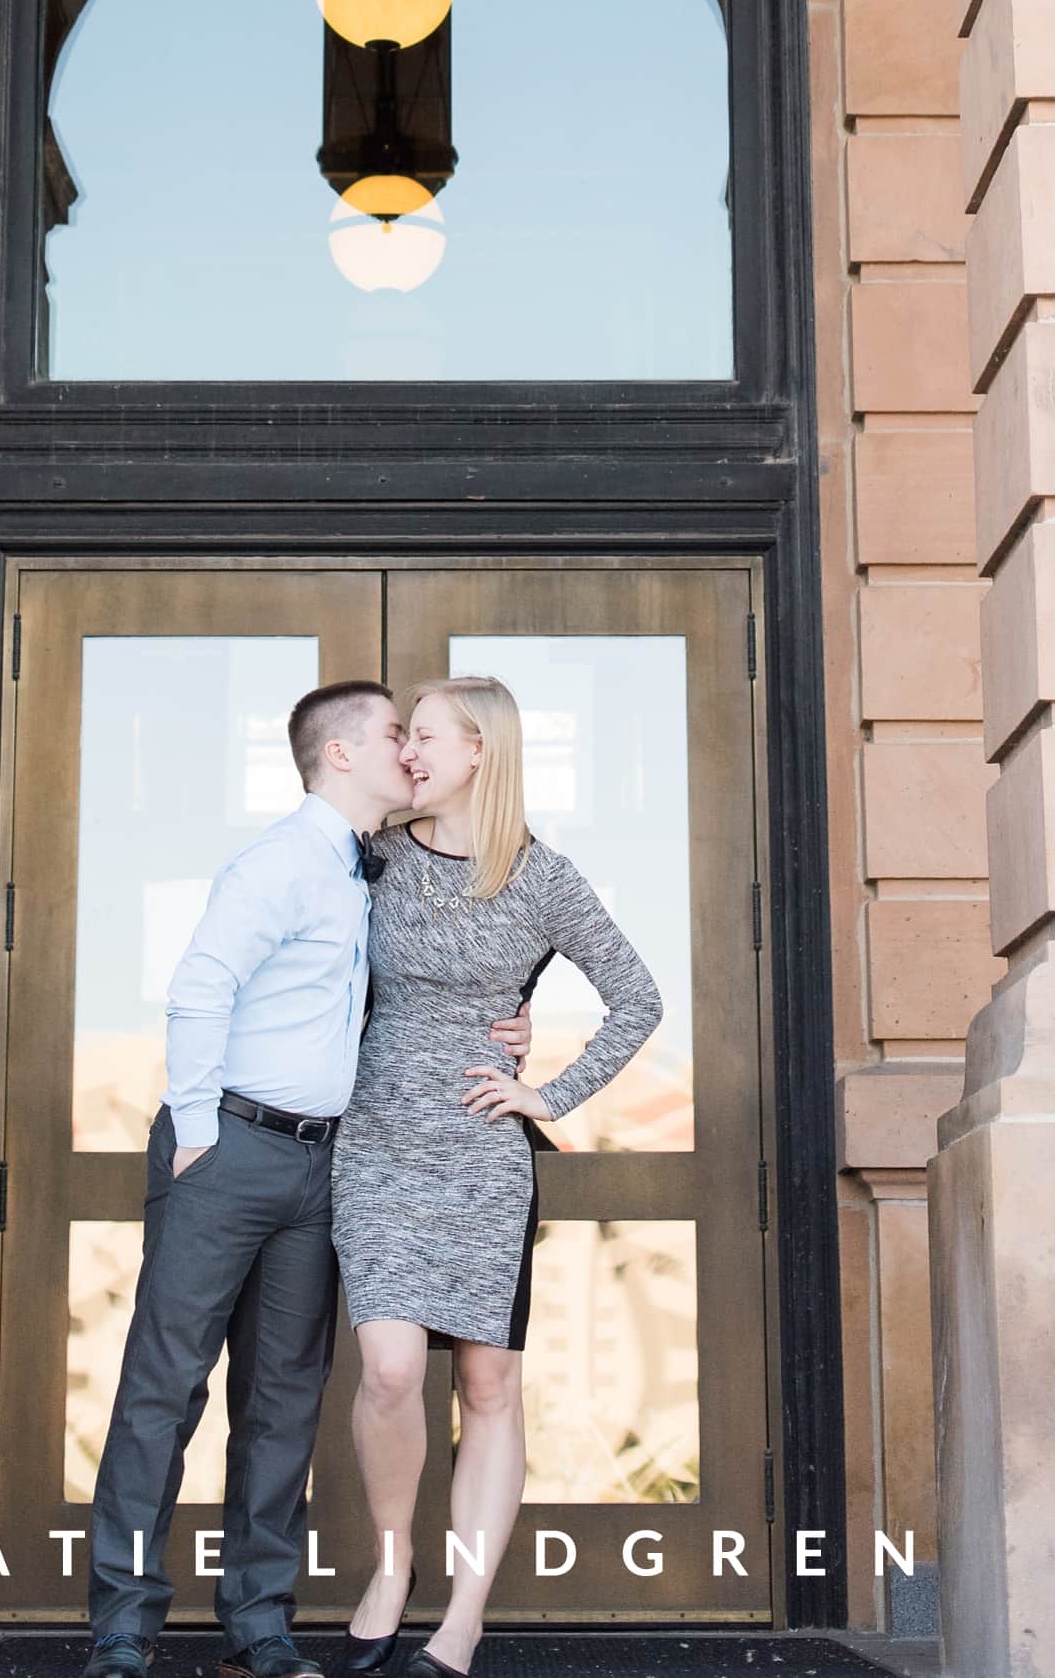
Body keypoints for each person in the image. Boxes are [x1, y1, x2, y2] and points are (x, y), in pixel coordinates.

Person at [82, 680, 534, 1678]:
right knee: (164, 1389)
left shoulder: (373, 871)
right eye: (391, 737)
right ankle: (123, 1627)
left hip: (325, 1161)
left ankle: (259, 1620)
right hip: (229, 1149)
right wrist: (198, 1131)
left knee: (284, 1397)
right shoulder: (280, 864)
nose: (408, 756)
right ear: (338, 755)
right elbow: (200, 984)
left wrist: (513, 1022)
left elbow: (422, 989)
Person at [332, 675, 662, 1678]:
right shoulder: (370, 856)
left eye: (423, 736)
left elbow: (637, 1001)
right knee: (389, 1370)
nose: (408, 753)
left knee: (486, 1382)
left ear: (480, 751)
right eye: (404, 738)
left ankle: (460, 1621)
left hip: (479, 1157)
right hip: (376, 1141)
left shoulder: (541, 876)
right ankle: (391, 1568)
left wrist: (549, 1095)